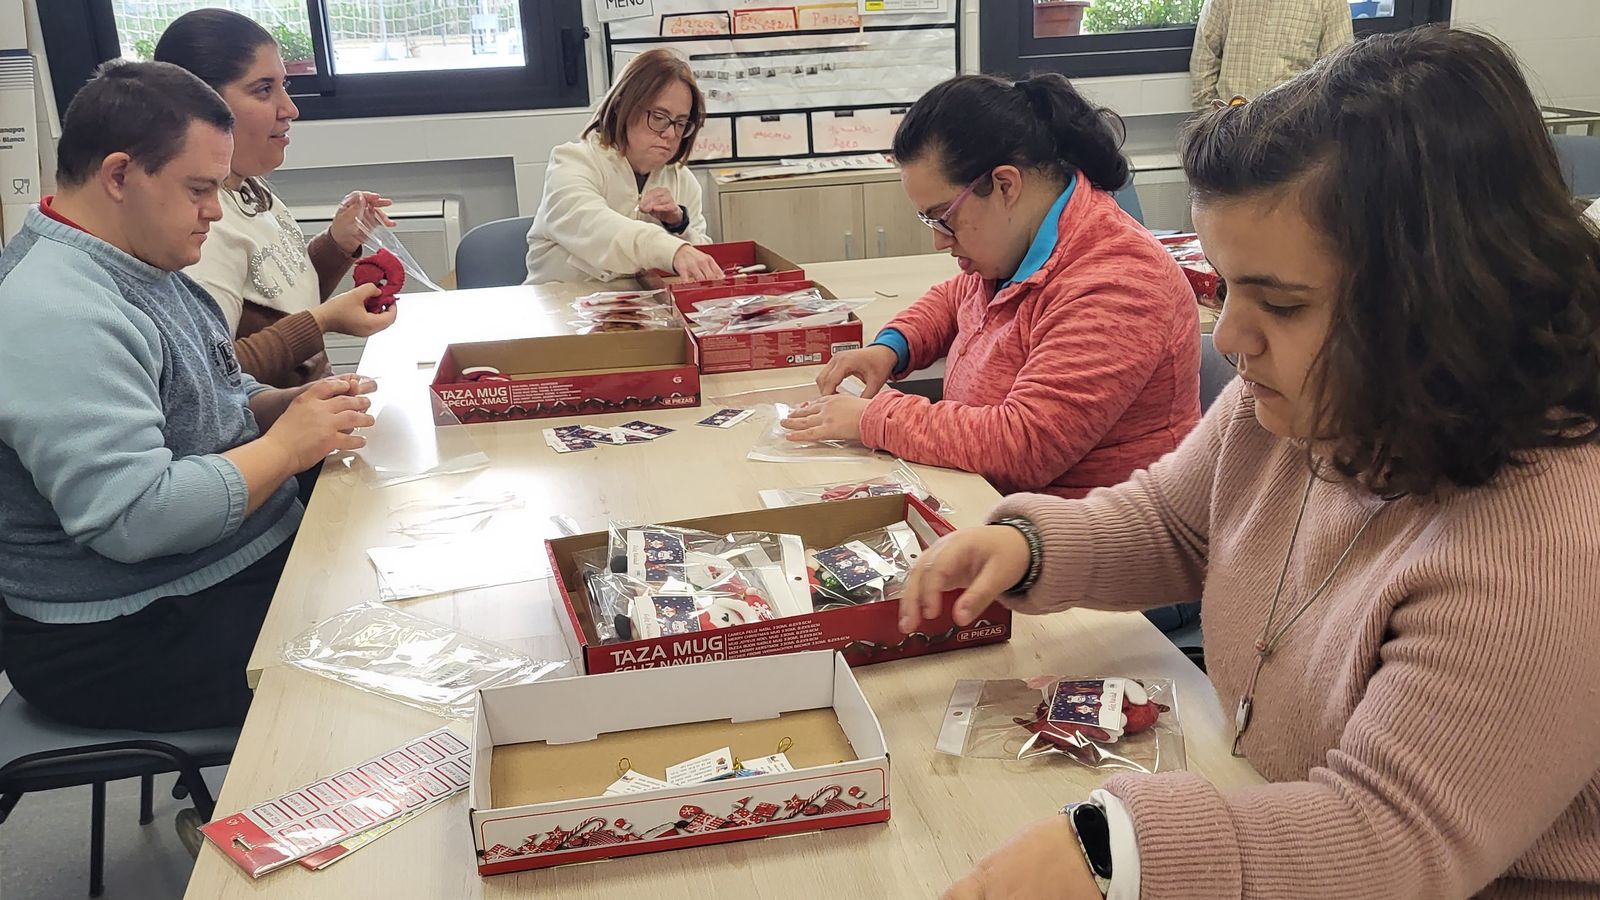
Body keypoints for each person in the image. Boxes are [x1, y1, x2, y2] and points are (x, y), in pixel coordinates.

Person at [903, 28, 1600, 899]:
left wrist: (1124, 851)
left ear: (1447, 299)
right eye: (1226, 287)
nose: (1229, 339)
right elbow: (1176, 521)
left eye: (1282, 303)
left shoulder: (1549, 547)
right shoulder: (1303, 399)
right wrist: (1032, 547)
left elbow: (1391, 836)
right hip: (1272, 804)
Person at [0, 61, 376, 733]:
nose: (215, 210)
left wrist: (284, 408)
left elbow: (213, 393)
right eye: (200, 189)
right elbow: (135, 518)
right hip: (120, 633)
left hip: (210, 569)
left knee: (395, 543)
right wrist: (286, 450)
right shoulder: (54, 312)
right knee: (393, 662)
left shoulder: (140, 258)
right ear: (119, 175)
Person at [782, 73, 1200, 499]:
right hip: (996, 502)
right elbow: (957, 298)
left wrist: (873, 419)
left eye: (943, 217)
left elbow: (1025, 447)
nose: (939, 240)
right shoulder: (1020, 245)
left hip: (1086, 527)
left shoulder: (1118, 280)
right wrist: (891, 348)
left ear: (1005, 185)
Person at [155, 8, 397, 390]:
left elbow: (283, 297)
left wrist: (337, 244)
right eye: (264, 90)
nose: (290, 109)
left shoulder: (248, 186)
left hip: (312, 409)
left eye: (285, 86)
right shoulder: (201, 224)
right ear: (199, 104)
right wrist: (324, 321)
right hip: (278, 422)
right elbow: (216, 377)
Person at [524, 48, 720, 285]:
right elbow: (595, 228)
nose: (670, 133)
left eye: (680, 123)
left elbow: (701, 258)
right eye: (658, 117)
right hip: (558, 302)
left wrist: (679, 226)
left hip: (641, 305)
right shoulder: (572, 163)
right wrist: (669, 249)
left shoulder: (682, 180)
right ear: (621, 107)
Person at [1190, 0, 1353, 108]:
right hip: (1230, 129)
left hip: (1293, 133)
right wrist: (1212, 127)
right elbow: (1203, 62)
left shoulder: (1329, 3)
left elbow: (1336, 78)